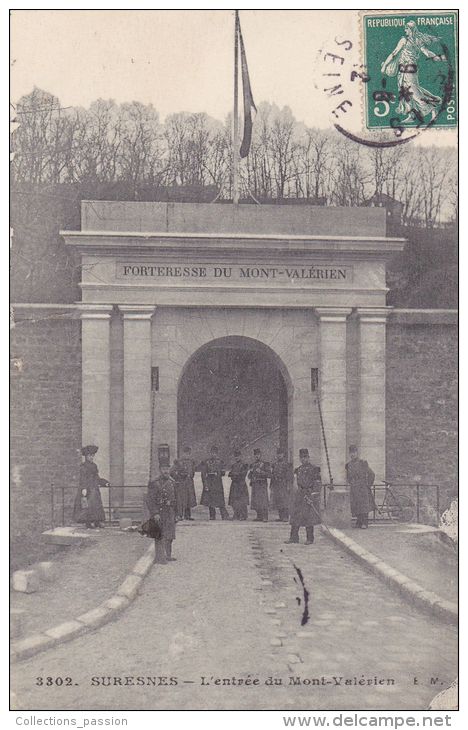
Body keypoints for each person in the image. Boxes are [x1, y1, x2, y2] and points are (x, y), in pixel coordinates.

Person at [380, 21, 446, 123]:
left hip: (409, 69)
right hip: (404, 70)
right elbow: (426, 53)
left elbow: (394, 53)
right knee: (405, 92)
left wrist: (384, 66)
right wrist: (437, 57)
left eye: (406, 28)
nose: (405, 30)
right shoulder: (417, 40)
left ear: (411, 29)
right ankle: (412, 115)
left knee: (414, 92)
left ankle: (432, 109)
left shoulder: (404, 40)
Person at [142, 459, 177, 563]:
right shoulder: (154, 483)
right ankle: (160, 557)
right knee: (159, 535)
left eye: (167, 468)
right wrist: (155, 513)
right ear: (160, 469)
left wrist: (178, 513)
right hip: (159, 512)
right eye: (163, 469)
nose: (166, 471)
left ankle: (168, 555)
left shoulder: (172, 482)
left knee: (169, 535)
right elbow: (150, 500)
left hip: (170, 511)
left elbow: (176, 499)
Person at [285, 448, 321, 545]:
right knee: (295, 516)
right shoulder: (298, 469)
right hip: (300, 495)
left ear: (308, 457)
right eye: (302, 458)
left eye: (305, 457)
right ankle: (293, 537)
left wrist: (313, 495)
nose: (304, 459)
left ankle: (310, 538)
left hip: (309, 494)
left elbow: (317, 483)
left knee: (308, 518)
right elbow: (296, 483)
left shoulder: (314, 469)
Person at [73, 445, 108, 529]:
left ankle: (97, 521)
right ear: (86, 456)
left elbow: (96, 477)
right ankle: (88, 522)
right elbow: (83, 478)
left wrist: (104, 483)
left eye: (92, 455)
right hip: (87, 489)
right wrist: (84, 488)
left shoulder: (94, 466)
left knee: (97, 505)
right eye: (90, 456)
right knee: (88, 505)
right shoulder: (83, 466)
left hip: (94, 488)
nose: (91, 457)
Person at [346, 445, 375, 529]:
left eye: (354, 452)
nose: (352, 454)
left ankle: (365, 523)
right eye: (351, 453)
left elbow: (371, 474)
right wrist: (350, 481)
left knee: (364, 505)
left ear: (357, 453)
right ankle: (359, 522)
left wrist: (368, 484)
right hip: (354, 487)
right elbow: (348, 476)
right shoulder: (348, 465)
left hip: (362, 487)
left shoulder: (363, 463)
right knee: (356, 504)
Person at [200, 446, 229, 520]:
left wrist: (219, 472)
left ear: (217, 453)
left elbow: (223, 473)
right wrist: (205, 484)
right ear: (210, 453)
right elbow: (203, 474)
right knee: (210, 500)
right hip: (210, 482)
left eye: (215, 453)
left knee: (220, 499)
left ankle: (224, 515)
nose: (213, 454)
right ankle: (212, 515)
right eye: (212, 453)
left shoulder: (220, 462)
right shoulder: (206, 462)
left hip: (218, 483)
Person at [270, 448, 293, 522]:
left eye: (280, 454)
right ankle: (281, 516)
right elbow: (273, 475)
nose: (279, 456)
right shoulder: (275, 464)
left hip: (283, 484)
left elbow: (289, 476)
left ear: (283, 455)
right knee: (278, 500)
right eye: (278, 454)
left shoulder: (286, 464)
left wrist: (289, 485)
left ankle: (286, 516)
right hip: (277, 484)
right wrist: (271, 485)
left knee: (284, 500)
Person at [248, 448, 271, 522]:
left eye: (258, 455)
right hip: (255, 484)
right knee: (256, 501)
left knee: (263, 500)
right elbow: (249, 476)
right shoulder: (252, 465)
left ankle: (265, 517)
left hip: (262, 484)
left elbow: (269, 474)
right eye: (255, 455)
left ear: (260, 455)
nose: (256, 456)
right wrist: (251, 473)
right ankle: (259, 516)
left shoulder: (265, 464)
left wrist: (261, 471)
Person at [228, 449, 249, 520]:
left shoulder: (244, 465)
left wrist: (235, 474)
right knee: (234, 500)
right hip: (234, 484)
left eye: (238, 456)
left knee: (242, 501)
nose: (236, 457)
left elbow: (243, 474)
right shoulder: (233, 465)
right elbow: (230, 474)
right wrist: (235, 474)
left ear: (241, 456)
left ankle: (243, 515)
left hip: (241, 484)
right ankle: (236, 514)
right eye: (235, 456)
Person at [179, 446, 197, 520]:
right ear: (183, 453)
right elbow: (176, 471)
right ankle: (180, 515)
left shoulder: (192, 461)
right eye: (186, 453)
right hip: (182, 482)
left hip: (189, 482)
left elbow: (193, 471)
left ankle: (188, 515)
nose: (187, 455)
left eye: (189, 453)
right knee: (182, 498)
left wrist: (191, 475)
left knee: (189, 499)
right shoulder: (179, 461)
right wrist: (182, 475)